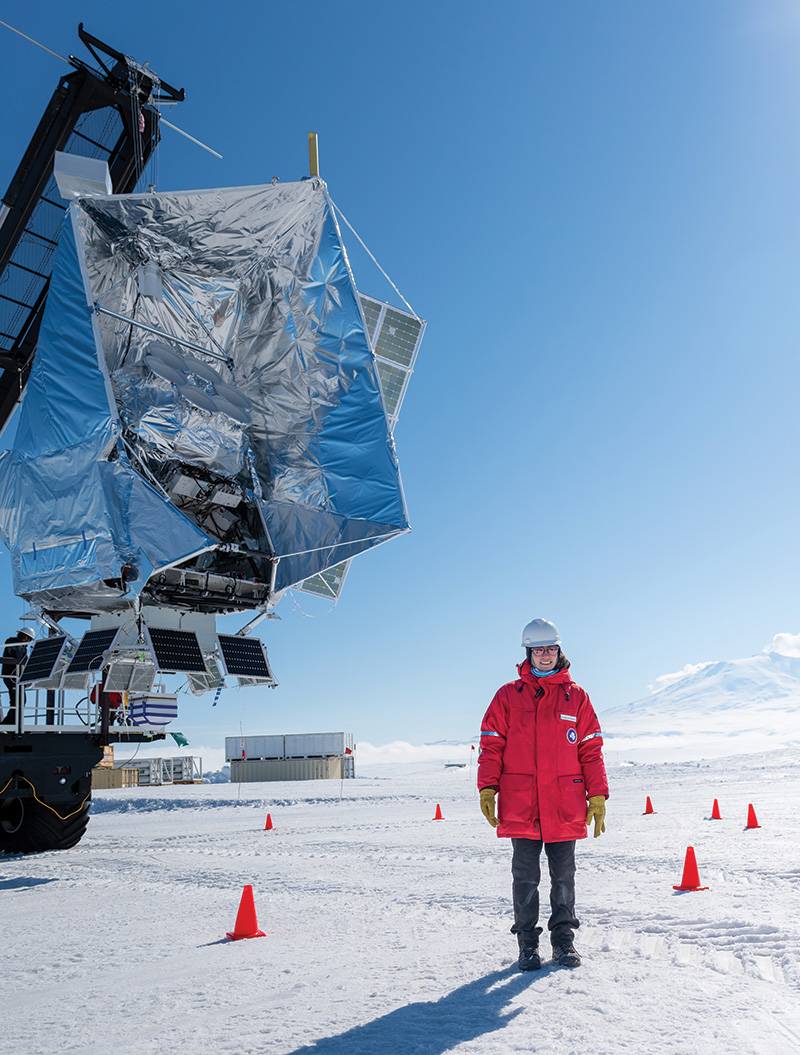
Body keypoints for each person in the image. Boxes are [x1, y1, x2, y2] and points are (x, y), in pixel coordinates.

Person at [478, 618, 608, 971]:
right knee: (525, 879)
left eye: (550, 649)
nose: (545, 655)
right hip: (522, 803)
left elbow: (591, 750)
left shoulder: (576, 696)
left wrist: (597, 796)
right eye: (538, 650)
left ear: (559, 650)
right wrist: (487, 786)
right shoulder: (508, 695)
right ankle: (527, 946)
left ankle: (564, 942)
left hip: (564, 804)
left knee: (564, 878)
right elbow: (491, 745)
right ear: (528, 653)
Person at [1, 626, 35, 726]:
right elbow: (19, 658)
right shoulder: (13, 644)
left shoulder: (21, 647)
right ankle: (10, 724)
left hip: (16, 678)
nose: (28, 642)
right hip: (11, 677)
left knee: (20, 701)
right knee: (17, 701)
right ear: (26, 637)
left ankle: (10, 723)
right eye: (29, 639)